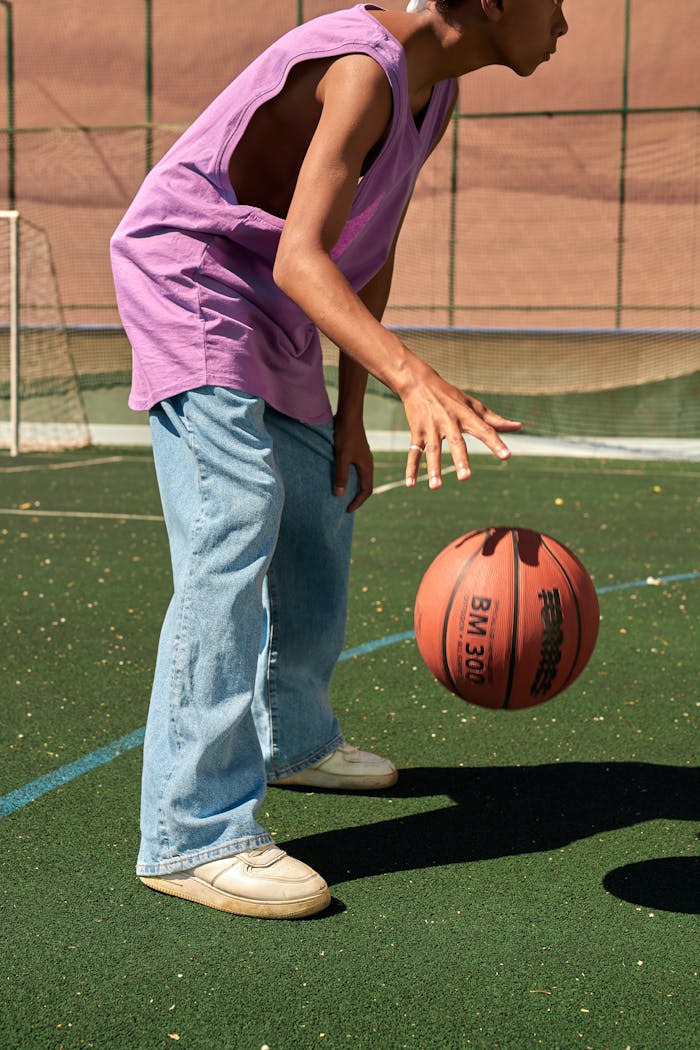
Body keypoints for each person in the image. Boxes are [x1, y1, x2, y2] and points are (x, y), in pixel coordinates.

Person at [110, 0, 568, 919]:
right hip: (197, 277)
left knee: (320, 512)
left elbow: (368, 250)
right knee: (232, 529)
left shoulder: (432, 94)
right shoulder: (362, 69)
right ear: (493, 2)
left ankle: (296, 741)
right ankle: (189, 833)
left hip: (280, 289)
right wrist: (413, 378)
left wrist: (354, 410)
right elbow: (300, 260)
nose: (566, 21)